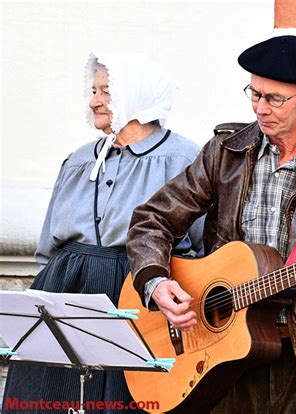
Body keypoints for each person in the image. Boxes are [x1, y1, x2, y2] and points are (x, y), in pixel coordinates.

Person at [127, 35, 296, 413]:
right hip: (220, 353)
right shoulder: (225, 152)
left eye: (274, 98)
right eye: (254, 94)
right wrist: (156, 283)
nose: (260, 108)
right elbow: (153, 218)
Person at [2, 52, 203, 413]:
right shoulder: (78, 160)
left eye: (106, 91)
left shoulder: (184, 159)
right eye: (93, 90)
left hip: (139, 299)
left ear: (137, 94)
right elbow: (49, 247)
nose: (94, 100)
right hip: (65, 292)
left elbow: (203, 250)